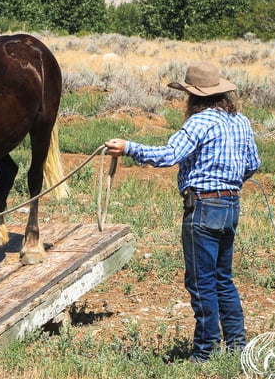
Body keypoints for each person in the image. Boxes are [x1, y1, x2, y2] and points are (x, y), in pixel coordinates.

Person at [105, 62, 261, 363]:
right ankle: (237, 345)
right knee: (222, 278)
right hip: (231, 205)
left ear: (194, 97)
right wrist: (229, 182)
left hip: (202, 206)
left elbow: (169, 155)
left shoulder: (199, 123)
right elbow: (252, 164)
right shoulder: (241, 121)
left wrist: (128, 147)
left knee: (201, 282)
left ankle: (205, 352)